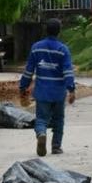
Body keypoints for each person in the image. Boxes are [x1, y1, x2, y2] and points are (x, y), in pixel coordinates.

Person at [19, 18, 76, 157]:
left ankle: (41, 134)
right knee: (59, 119)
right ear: (59, 32)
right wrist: (71, 89)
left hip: (42, 91)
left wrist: (23, 86)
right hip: (58, 92)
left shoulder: (36, 47)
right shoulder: (63, 50)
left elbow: (29, 70)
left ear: (46, 30)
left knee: (41, 119)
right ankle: (56, 147)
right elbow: (67, 71)